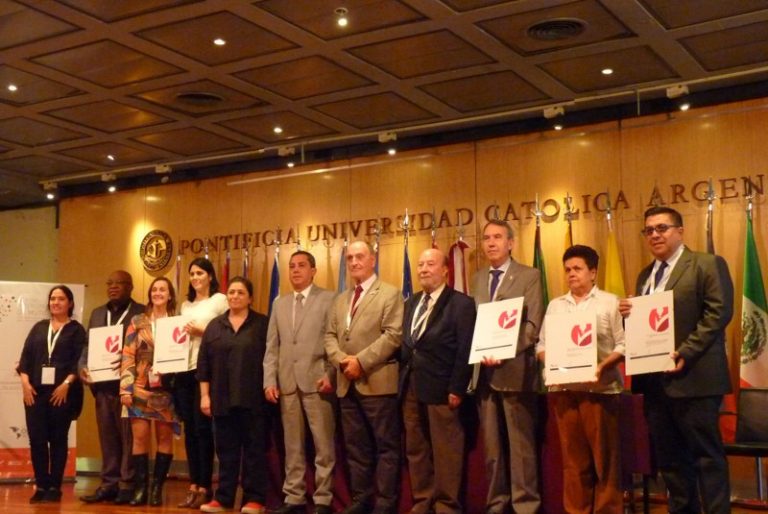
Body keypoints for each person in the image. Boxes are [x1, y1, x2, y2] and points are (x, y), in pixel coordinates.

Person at [619, 206, 734, 514]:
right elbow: (647, 326)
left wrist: (686, 351)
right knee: (670, 461)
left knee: (706, 458)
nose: (655, 235)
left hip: (694, 378)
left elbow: (718, 313)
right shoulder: (646, 275)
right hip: (656, 383)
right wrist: (629, 316)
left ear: (680, 231)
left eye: (662, 228)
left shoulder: (707, 264)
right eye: (649, 230)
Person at [536, 245, 625, 514]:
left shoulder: (610, 302)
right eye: (567, 270)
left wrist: (600, 366)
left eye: (577, 269)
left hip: (600, 391)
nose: (571, 274)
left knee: (604, 461)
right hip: (564, 391)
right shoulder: (555, 305)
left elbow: (623, 344)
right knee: (573, 462)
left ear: (593, 272)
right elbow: (540, 346)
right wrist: (551, 362)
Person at [324, 240, 404, 514]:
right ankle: (361, 501)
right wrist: (343, 362)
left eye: (360, 256)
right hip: (346, 383)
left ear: (373, 260)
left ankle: (384, 505)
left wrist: (361, 361)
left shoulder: (390, 294)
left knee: (386, 448)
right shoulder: (340, 300)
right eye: (349, 258)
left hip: (378, 382)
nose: (354, 262)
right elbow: (330, 337)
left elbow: (393, 335)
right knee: (356, 449)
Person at [471, 219, 544, 514]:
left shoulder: (529, 275)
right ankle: (496, 505)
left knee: (520, 448)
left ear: (511, 243)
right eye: (486, 237)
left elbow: (532, 325)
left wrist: (503, 351)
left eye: (497, 237)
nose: (491, 243)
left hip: (516, 371)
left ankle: (526, 505)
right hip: (484, 374)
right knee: (492, 450)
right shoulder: (477, 278)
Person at [400, 248, 476, 514]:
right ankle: (423, 502)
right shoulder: (411, 303)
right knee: (416, 449)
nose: (423, 269)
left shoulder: (461, 303)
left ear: (445, 270)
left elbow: (466, 349)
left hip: (444, 388)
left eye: (430, 264)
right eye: (420, 264)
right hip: (411, 386)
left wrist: (457, 387)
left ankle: (446, 506)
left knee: (447, 452)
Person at [264, 251, 337, 514]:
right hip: (287, 384)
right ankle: (294, 497)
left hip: (318, 382)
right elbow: (272, 347)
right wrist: (269, 379)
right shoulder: (279, 304)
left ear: (313, 270)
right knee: (292, 446)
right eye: (292, 266)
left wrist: (330, 374)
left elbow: (334, 341)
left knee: (323, 446)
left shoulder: (329, 299)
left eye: (302, 266)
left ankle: (323, 498)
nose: (296, 270)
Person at [197, 277, 270, 514]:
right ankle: (224, 498)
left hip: (254, 400)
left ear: (250, 298)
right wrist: (204, 396)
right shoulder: (215, 326)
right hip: (221, 399)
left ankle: (254, 499)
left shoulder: (262, 324)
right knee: (226, 452)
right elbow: (203, 365)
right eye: (231, 292)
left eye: (240, 292)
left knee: (254, 452)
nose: (235, 296)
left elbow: (272, 360)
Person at [79, 270, 145, 505]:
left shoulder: (141, 312)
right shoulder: (98, 313)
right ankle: (109, 483)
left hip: (128, 387)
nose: (113, 287)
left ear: (131, 287)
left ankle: (127, 484)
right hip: (102, 386)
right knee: (108, 437)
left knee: (128, 438)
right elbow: (87, 346)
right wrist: (83, 367)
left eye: (119, 283)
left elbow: (147, 347)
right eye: (110, 283)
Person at [18, 285, 86, 503]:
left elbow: (80, 361)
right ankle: (41, 485)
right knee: (37, 440)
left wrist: (66, 383)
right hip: (35, 393)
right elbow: (25, 360)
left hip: (62, 393)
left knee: (58, 439)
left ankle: (55, 486)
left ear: (70, 303)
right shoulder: (39, 328)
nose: (55, 302)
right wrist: (25, 384)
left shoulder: (76, 330)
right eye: (52, 298)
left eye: (61, 299)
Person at [120, 277, 181, 507]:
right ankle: (140, 489)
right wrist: (125, 387)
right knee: (140, 438)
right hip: (139, 388)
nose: (158, 293)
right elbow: (127, 355)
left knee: (165, 438)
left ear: (170, 294)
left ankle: (157, 488)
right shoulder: (137, 321)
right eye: (154, 289)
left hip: (166, 390)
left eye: (162, 289)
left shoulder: (177, 321)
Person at [175, 257, 228, 508]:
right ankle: (194, 483)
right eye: (192, 274)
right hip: (183, 371)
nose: (195, 278)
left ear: (210, 275)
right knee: (190, 431)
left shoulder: (219, 300)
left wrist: (202, 331)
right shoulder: (184, 305)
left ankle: (206, 486)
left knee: (204, 430)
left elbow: (227, 330)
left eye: (200, 273)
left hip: (206, 370)